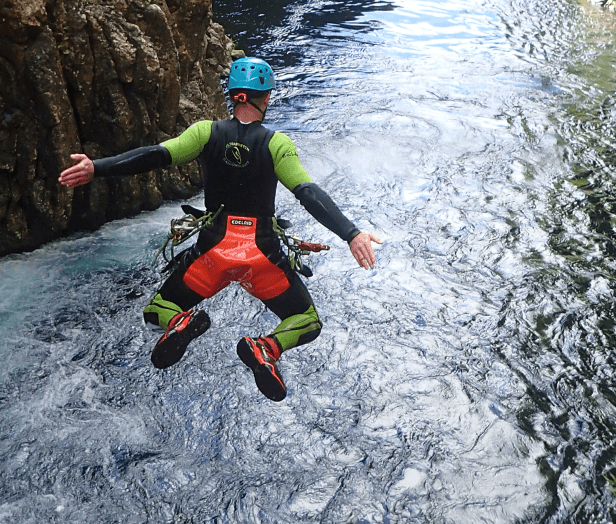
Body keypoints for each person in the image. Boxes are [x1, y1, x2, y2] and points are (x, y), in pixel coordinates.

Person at [58, 57, 381, 402]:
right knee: (306, 320)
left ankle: (180, 324)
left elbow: (154, 155)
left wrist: (97, 167)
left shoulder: (204, 133)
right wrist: (351, 233)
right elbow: (307, 192)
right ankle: (267, 348)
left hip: (213, 253)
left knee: (157, 309)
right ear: (266, 98)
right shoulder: (277, 145)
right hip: (261, 256)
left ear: (231, 95)